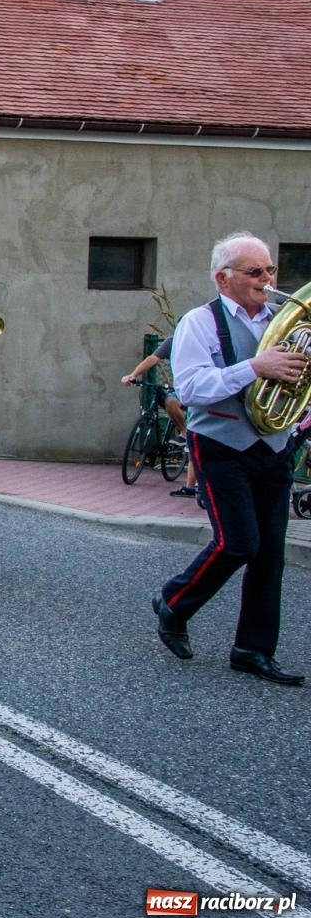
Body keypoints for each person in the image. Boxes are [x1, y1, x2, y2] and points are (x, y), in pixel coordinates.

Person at [153, 232, 307, 686]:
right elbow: (194, 389)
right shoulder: (199, 323)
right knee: (238, 542)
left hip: (275, 444)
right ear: (224, 278)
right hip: (221, 443)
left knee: (270, 553)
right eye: (255, 272)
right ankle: (174, 601)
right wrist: (255, 368)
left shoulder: (285, 320)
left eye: (271, 270)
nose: (268, 279)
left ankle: (252, 649)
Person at [121, 337, 199, 497]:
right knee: (170, 401)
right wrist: (133, 374)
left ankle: (193, 485)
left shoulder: (200, 341)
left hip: (196, 386)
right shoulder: (173, 341)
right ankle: (183, 432)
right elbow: (153, 358)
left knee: (195, 440)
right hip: (180, 387)